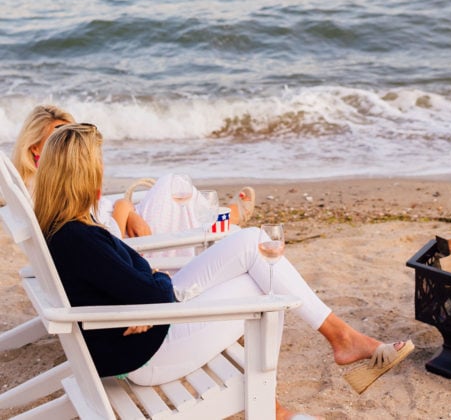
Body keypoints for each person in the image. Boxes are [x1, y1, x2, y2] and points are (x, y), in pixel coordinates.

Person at [34, 123, 412, 420]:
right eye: (99, 166)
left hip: (149, 323)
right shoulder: (79, 239)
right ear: (84, 176)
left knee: (251, 242)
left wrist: (149, 284)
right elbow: (151, 292)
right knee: (266, 285)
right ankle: (277, 406)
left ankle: (340, 338)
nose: (103, 174)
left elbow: (141, 284)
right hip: (147, 354)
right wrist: (152, 285)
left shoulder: (67, 228)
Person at [12, 104, 255, 238]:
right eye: (58, 136)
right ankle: (222, 219)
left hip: (122, 223)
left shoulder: (52, 182)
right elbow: (100, 241)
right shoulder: (44, 193)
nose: (67, 143)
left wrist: (127, 209)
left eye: (69, 134)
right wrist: (123, 208)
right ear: (34, 146)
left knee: (177, 192)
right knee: (173, 184)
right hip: (125, 240)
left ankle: (218, 219)